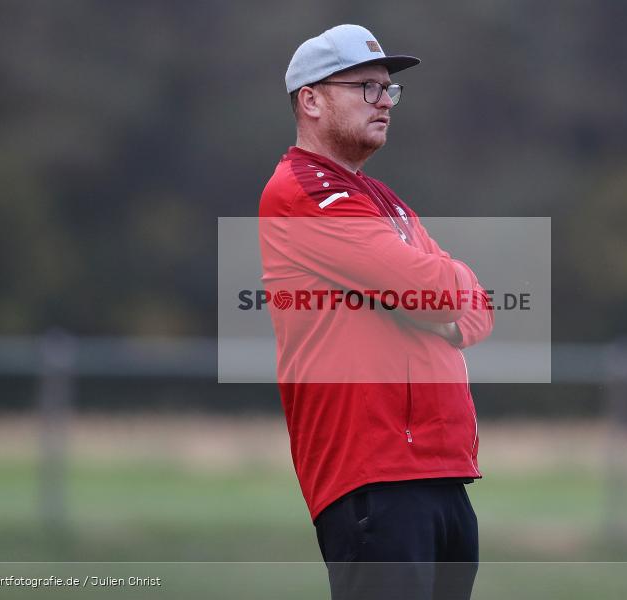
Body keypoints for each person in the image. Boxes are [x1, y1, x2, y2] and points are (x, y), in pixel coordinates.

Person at [258, 24, 494, 600]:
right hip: (376, 477)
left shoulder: (382, 199)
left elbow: (479, 306)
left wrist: (434, 297)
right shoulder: (303, 192)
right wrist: (435, 297)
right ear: (310, 99)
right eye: (365, 86)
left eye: (388, 89)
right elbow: (437, 292)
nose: (385, 100)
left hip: (438, 474)